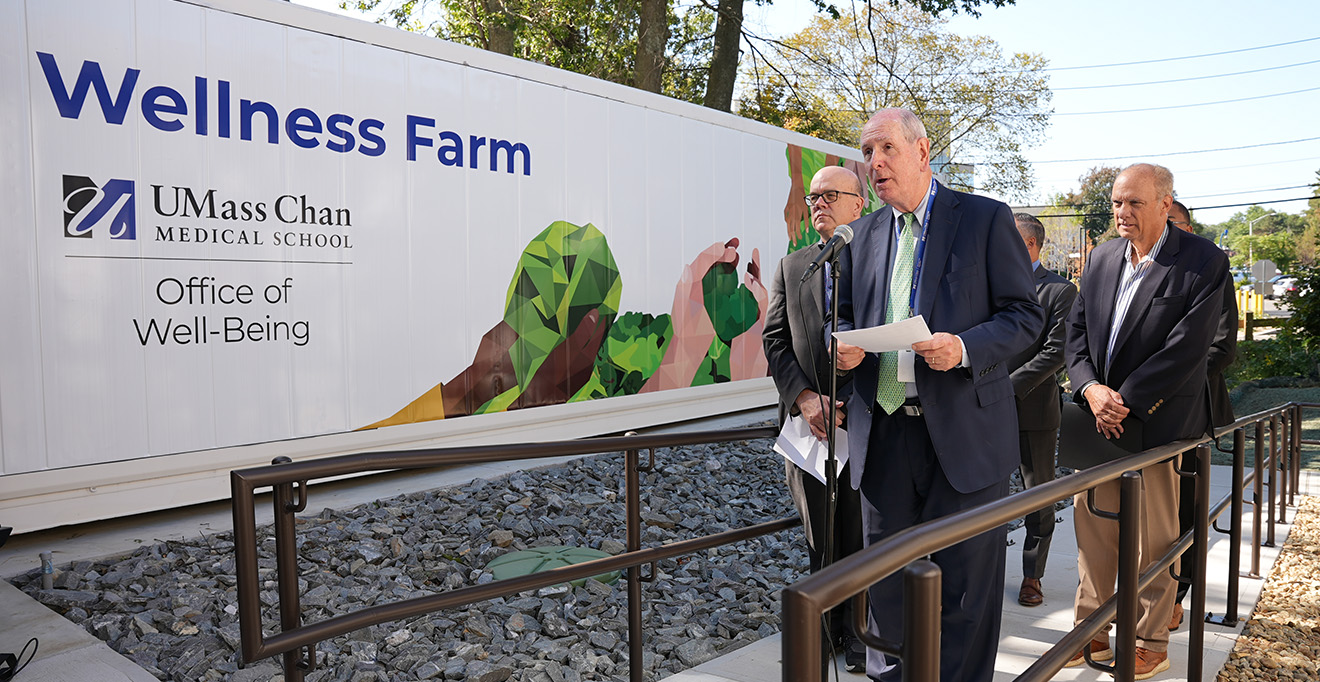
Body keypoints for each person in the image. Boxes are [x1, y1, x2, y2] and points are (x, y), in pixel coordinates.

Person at [834, 108, 1044, 682]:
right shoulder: (864, 234)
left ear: (923, 153)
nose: (874, 163)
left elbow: (1026, 317)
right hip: (884, 436)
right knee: (888, 589)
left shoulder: (983, 219)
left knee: (966, 594)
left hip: (963, 436)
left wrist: (965, 346)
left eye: (886, 149)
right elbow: (850, 315)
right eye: (867, 151)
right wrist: (844, 350)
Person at [1063, 163, 1229, 680]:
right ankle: (1091, 626)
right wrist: (1091, 390)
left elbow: (1187, 350)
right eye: (1116, 202)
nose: (1122, 213)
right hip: (1096, 418)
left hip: (1156, 423)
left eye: (1134, 203)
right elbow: (1077, 332)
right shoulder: (1103, 257)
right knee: (1092, 532)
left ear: (1165, 203)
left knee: (1153, 539)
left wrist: (1126, 400)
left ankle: (1151, 638)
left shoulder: (1203, 261)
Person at [763, 165, 867, 671]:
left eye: (830, 195)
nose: (818, 204)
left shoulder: (875, 262)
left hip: (861, 418)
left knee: (861, 529)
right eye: (812, 197)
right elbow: (775, 340)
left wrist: (849, 402)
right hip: (808, 426)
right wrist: (806, 397)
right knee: (819, 535)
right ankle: (826, 631)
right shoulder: (792, 266)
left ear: (858, 205)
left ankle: (861, 632)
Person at [1166, 199, 1237, 631]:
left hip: (1189, 414)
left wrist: (1164, 384)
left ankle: (1176, 596)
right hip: (1133, 417)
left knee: (1182, 515)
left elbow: (1223, 347)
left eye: (1171, 224)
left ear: (1186, 228)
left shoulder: (1209, 271)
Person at [1005, 213, 1078, 608]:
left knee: (1038, 495)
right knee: (978, 497)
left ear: (1032, 245)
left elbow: (1057, 352)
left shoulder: (1059, 291)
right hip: (983, 412)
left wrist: (1006, 388)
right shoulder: (991, 287)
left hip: (1033, 411)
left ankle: (1032, 576)